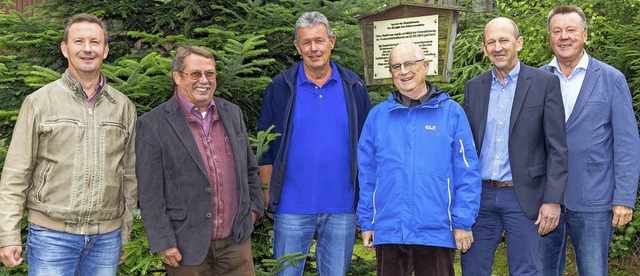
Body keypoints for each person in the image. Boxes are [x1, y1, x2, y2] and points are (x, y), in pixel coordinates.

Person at [0, 13, 137, 275]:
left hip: (106, 240)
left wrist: (125, 232)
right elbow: (16, 174)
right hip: (51, 237)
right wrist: (8, 235)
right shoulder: (39, 102)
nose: (87, 49)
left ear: (105, 50)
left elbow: (129, 175)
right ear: (65, 48)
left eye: (95, 42)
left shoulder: (123, 107)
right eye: (79, 41)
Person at [257, 11, 371, 276]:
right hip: (290, 206)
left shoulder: (354, 87)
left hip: (342, 206)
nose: (313, 48)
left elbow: (368, 149)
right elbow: (265, 148)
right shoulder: (280, 87)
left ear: (332, 41)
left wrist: (362, 200)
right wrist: (268, 197)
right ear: (297, 47)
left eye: (319, 40)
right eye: (306, 42)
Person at [135, 46, 264, 275]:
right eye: (195, 74)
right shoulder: (153, 124)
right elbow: (150, 193)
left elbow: (249, 169)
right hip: (185, 246)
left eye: (210, 73)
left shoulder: (232, 113)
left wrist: (253, 210)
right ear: (177, 77)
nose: (203, 80)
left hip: (236, 243)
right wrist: (163, 241)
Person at [356, 42, 481, 276]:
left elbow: (467, 172)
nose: (404, 71)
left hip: (436, 231)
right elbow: (367, 174)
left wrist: (462, 222)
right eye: (396, 66)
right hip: (390, 230)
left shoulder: (451, 113)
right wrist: (367, 221)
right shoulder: (377, 117)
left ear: (425, 65)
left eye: (409, 64)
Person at [460, 17, 568, 276]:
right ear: (485, 48)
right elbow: (463, 149)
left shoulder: (544, 83)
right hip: (480, 197)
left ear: (518, 43)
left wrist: (553, 200)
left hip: (523, 196)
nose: (498, 47)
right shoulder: (474, 88)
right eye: (491, 42)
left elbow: (557, 148)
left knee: (525, 271)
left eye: (504, 40)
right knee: (473, 269)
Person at [537, 6, 640, 276]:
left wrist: (624, 198)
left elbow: (627, 144)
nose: (564, 37)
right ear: (549, 37)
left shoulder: (611, 79)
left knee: (593, 271)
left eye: (571, 30)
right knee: (543, 271)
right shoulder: (536, 79)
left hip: (594, 198)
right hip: (545, 198)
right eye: (557, 31)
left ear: (584, 35)